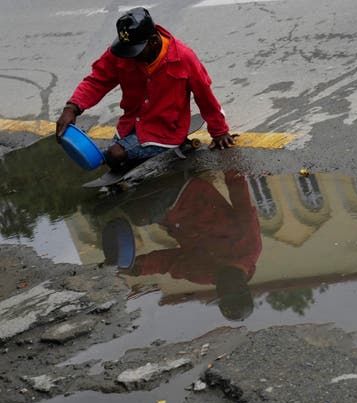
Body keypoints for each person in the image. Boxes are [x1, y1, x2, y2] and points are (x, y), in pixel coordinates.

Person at [55, 7, 235, 172]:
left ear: (154, 41)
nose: (129, 57)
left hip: (165, 128)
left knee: (115, 155)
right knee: (109, 154)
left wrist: (219, 132)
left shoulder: (183, 57)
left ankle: (157, 150)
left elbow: (204, 94)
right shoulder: (122, 52)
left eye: (135, 51)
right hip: (130, 124)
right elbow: (97, 81)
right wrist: (72, 108)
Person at [119, 170, 262, 321]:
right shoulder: (250, 246)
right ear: (241, 287)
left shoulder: (203, 275)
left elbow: (169, 263)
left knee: (122, 207)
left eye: (220, 294)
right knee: (139, 215)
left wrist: (138, 267)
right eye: (225, 291)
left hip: (165, 214)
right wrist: (230, 161)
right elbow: (241, 199)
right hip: (188, 191)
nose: (219, 289)